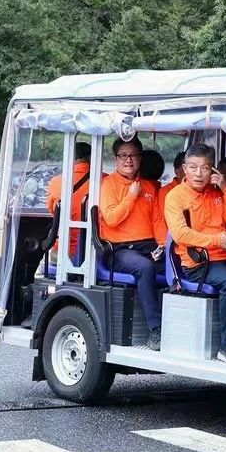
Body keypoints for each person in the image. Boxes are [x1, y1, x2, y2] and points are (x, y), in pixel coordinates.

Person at [163, 144, 226, 364]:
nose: (199, 174)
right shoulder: (175, 197)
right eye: (193, 167)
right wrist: (215, 240)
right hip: (198, 263)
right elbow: (181, 234)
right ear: (184, 169)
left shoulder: (217, 190)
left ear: (213, 170)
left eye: (205, 168)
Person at [100, 137, 165, 350]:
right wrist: (130, 196)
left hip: (148, 246)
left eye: (133, 155)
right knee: (144, 267)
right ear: (116, 158)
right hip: (119, 249)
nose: (128, 160)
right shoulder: (108, 184)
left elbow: (157, 220)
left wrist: (163, 245)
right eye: (123, 155)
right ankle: (156, 329)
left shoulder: (149, 186)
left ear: (140, 158)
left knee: (178, 263)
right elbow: (111, 218)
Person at [46, 142, 93, 257]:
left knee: (45, 260)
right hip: (94, 250)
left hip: (62, 250)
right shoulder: (105, 180)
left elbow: (53, 210)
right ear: (91, 158)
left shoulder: (56, 181)